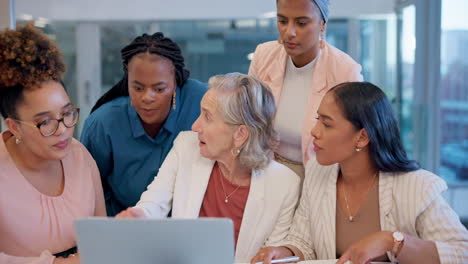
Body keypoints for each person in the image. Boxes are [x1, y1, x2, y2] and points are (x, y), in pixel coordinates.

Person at [251, 82, 468, 264]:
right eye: (318, 120)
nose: (314, 132)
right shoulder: (318, 172)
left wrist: (392, 241)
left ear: (362, 137)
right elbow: (303, 242)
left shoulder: (417, 186)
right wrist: (285, 252)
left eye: (327, 124)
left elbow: (462, 253)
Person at [116, 73, 300, 263]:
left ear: (240, 134)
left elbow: (273, 256)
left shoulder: (285, 184)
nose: (195, 126)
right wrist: (140, 216)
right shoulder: (186, 146)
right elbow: (154, 203)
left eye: (207, 116)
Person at [0, 24, 106, 264]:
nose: (64, 131)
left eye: (68, 113)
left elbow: (101, 235)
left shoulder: (80, 155)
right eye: (45, 122)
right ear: (14, 126)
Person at [80, 32, 207, 216]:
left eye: (159, 89)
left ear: (175, 83)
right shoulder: (103, 124)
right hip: (124, 227)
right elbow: (86, 194)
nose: (147, 97)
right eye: (137, 88)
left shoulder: (202, 103)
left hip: (192, 225)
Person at [248, 0, 363, 179]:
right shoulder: (263, 56)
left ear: (322, 25)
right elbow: (249, 118)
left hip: (321, 175)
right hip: (267, 169)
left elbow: (352, 140)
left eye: (301, 23)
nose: (289, 32)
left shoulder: (345, 71)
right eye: (283, 21)